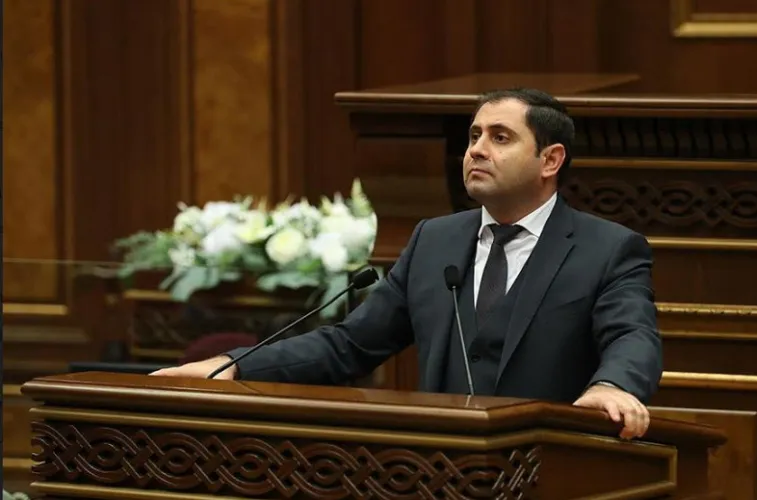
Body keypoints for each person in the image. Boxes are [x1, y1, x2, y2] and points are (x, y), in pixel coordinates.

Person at [152, 88, 662, 440]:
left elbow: (631, 334)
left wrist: (612, 386)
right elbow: (351, 345)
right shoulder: (435, 240)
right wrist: (236, 365)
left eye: (500, 138)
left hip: (553, 465)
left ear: (550, 160)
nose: (477, 151)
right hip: (442, 464)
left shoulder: (607, 248)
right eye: (474, 136)